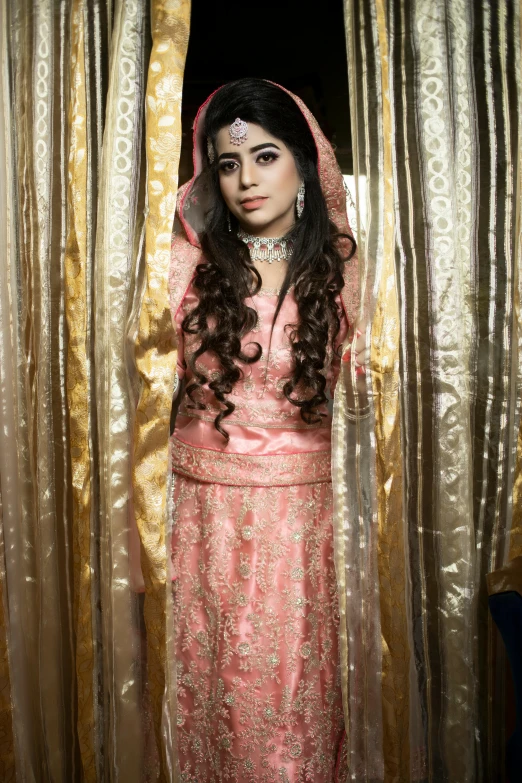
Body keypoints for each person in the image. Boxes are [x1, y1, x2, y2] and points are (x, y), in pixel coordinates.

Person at [167, 78, 359, 782]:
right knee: (210, 705)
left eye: (266, 155)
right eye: (227, 163)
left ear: (305, 165)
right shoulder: (186, 269)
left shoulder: (346, 275)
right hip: (203, 524)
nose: (247, 178)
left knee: (289, 719)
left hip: (303, 530)